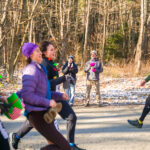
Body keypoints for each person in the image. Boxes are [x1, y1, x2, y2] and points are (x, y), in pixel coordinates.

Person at [10, 41, 85, 150]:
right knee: (63, 123)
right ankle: (70, 145)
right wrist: (62, 79)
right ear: (44, 52)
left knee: (38, 124)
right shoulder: (40, 66)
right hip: (47, 101)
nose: (54, 51)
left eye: (54, 49)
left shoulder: (47, 65)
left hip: (51, 98)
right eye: (51, 49)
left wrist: (59, 94)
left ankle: (17, 136)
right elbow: (38, 88)